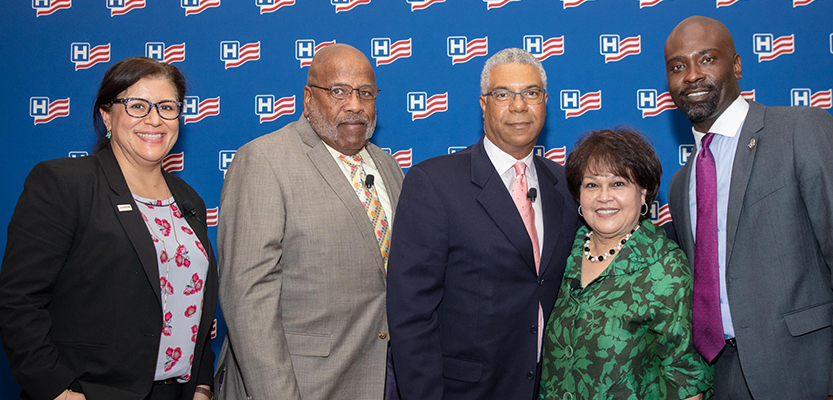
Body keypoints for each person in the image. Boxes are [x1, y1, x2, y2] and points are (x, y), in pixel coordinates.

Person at [665, 15, 833, 400]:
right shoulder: (680, 183)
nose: (692, 75)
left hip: (810, 374)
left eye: (707, 59)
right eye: (677, 67)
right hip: (721, 380)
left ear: (737, 65)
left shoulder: (800, 130)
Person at [0, 57, 217, 400]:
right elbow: (18, 300)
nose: (154, 119)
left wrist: (202, 385)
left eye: (166, 107)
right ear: (106, 116)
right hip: (89, 391)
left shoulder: (190, 200)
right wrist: (56, 390)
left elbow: (195, 305)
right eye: (137, 106)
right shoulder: (65, 184)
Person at [386, 48, 580, 400]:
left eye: (531, 93)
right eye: (503, 94)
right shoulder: (434, 183)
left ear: (545, 102)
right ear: (483, 104)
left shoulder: (566, 186)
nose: (519, 106)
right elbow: (411, 313)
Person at [214, 43, 404, 400]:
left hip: (380, 382)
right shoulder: (264, 160)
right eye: (338, 91)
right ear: (308, 98)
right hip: (300, 385)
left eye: (365, 93)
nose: (355, 105)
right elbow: (247, 297)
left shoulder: (389, 167)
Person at [539, 129, 712, 400]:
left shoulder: (664, 267)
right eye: (592, 185)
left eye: (618, 183)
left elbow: (685, 379)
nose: (604, 197)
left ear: (643, 193)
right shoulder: (561, 252)